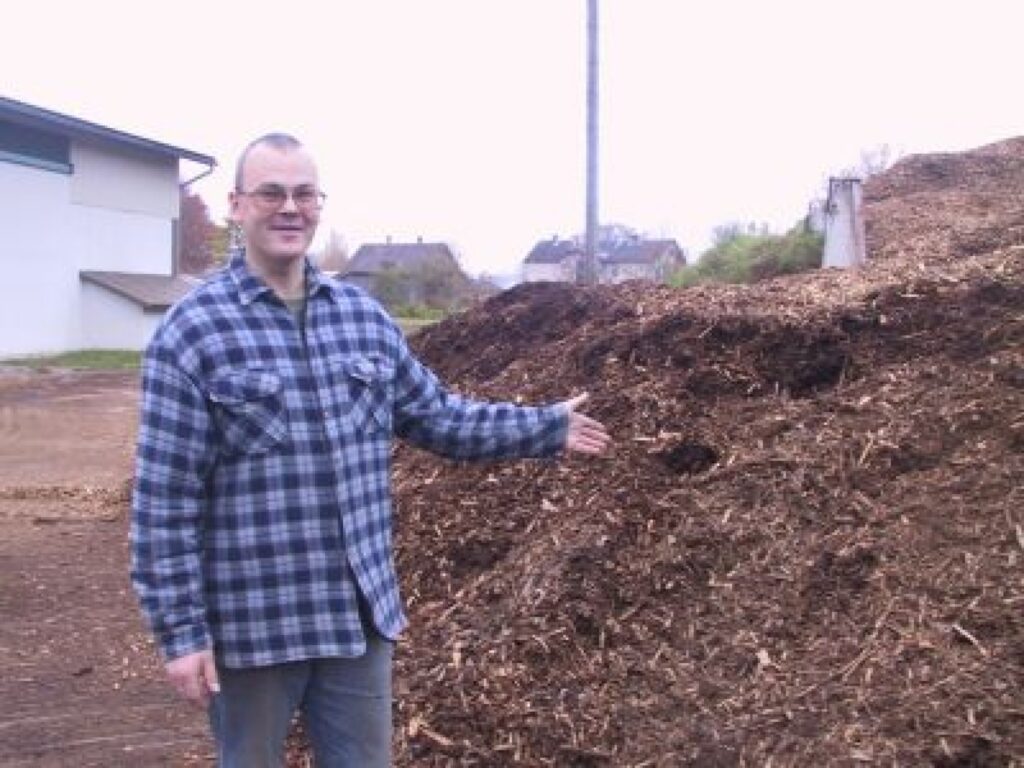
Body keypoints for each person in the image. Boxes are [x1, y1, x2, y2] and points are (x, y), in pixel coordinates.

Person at [130, 132, 611, 767]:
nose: (289, 207)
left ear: (319, 205)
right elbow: (164, 501)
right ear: (237, 206)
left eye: (304, 193)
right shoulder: (191, 333)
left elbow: (440, 418)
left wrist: (543, 428)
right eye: (271, 192)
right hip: (253, 626)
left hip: (356, 621)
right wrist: (181, 632)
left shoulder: (362, 318)